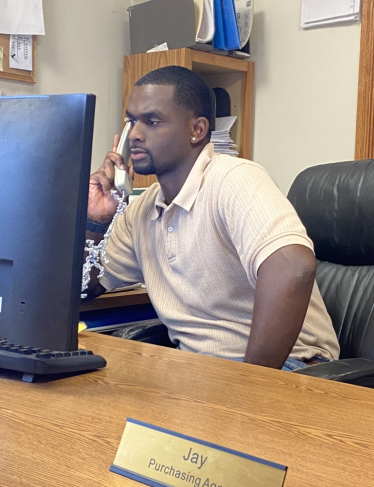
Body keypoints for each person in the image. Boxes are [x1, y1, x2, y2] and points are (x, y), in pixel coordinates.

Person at [85, 65, 340, 370]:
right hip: (198, 370)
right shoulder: (144, 207)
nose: (135, 135)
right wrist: (95, 222)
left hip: (286, 368)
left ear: (197, 130)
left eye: (152, 122)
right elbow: (85, 289)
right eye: (131, 121)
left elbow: (293, 267)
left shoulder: (233, 179)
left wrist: (251, 382)